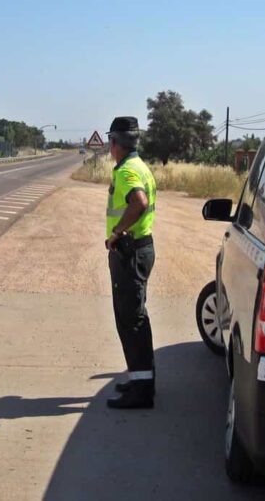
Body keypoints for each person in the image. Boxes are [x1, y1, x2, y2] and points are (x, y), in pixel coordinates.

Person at [104, 116, 158, 409]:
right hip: (141, 248)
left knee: (131, 321)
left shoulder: (126, 172)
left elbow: (138, 202)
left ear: (115, 143)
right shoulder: (140, 166)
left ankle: (142, 391)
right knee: (136, 318)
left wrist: (116, 233)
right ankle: (141, 379)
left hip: (130, 251)